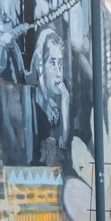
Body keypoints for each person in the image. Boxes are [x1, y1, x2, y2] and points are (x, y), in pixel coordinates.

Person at [32, 27, 70, 166]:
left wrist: (65, 103)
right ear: (41, 66)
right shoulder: (32, 103)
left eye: (60, 63)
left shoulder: (61, 105)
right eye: (52, 63)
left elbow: (65, 153)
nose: (59, 73)